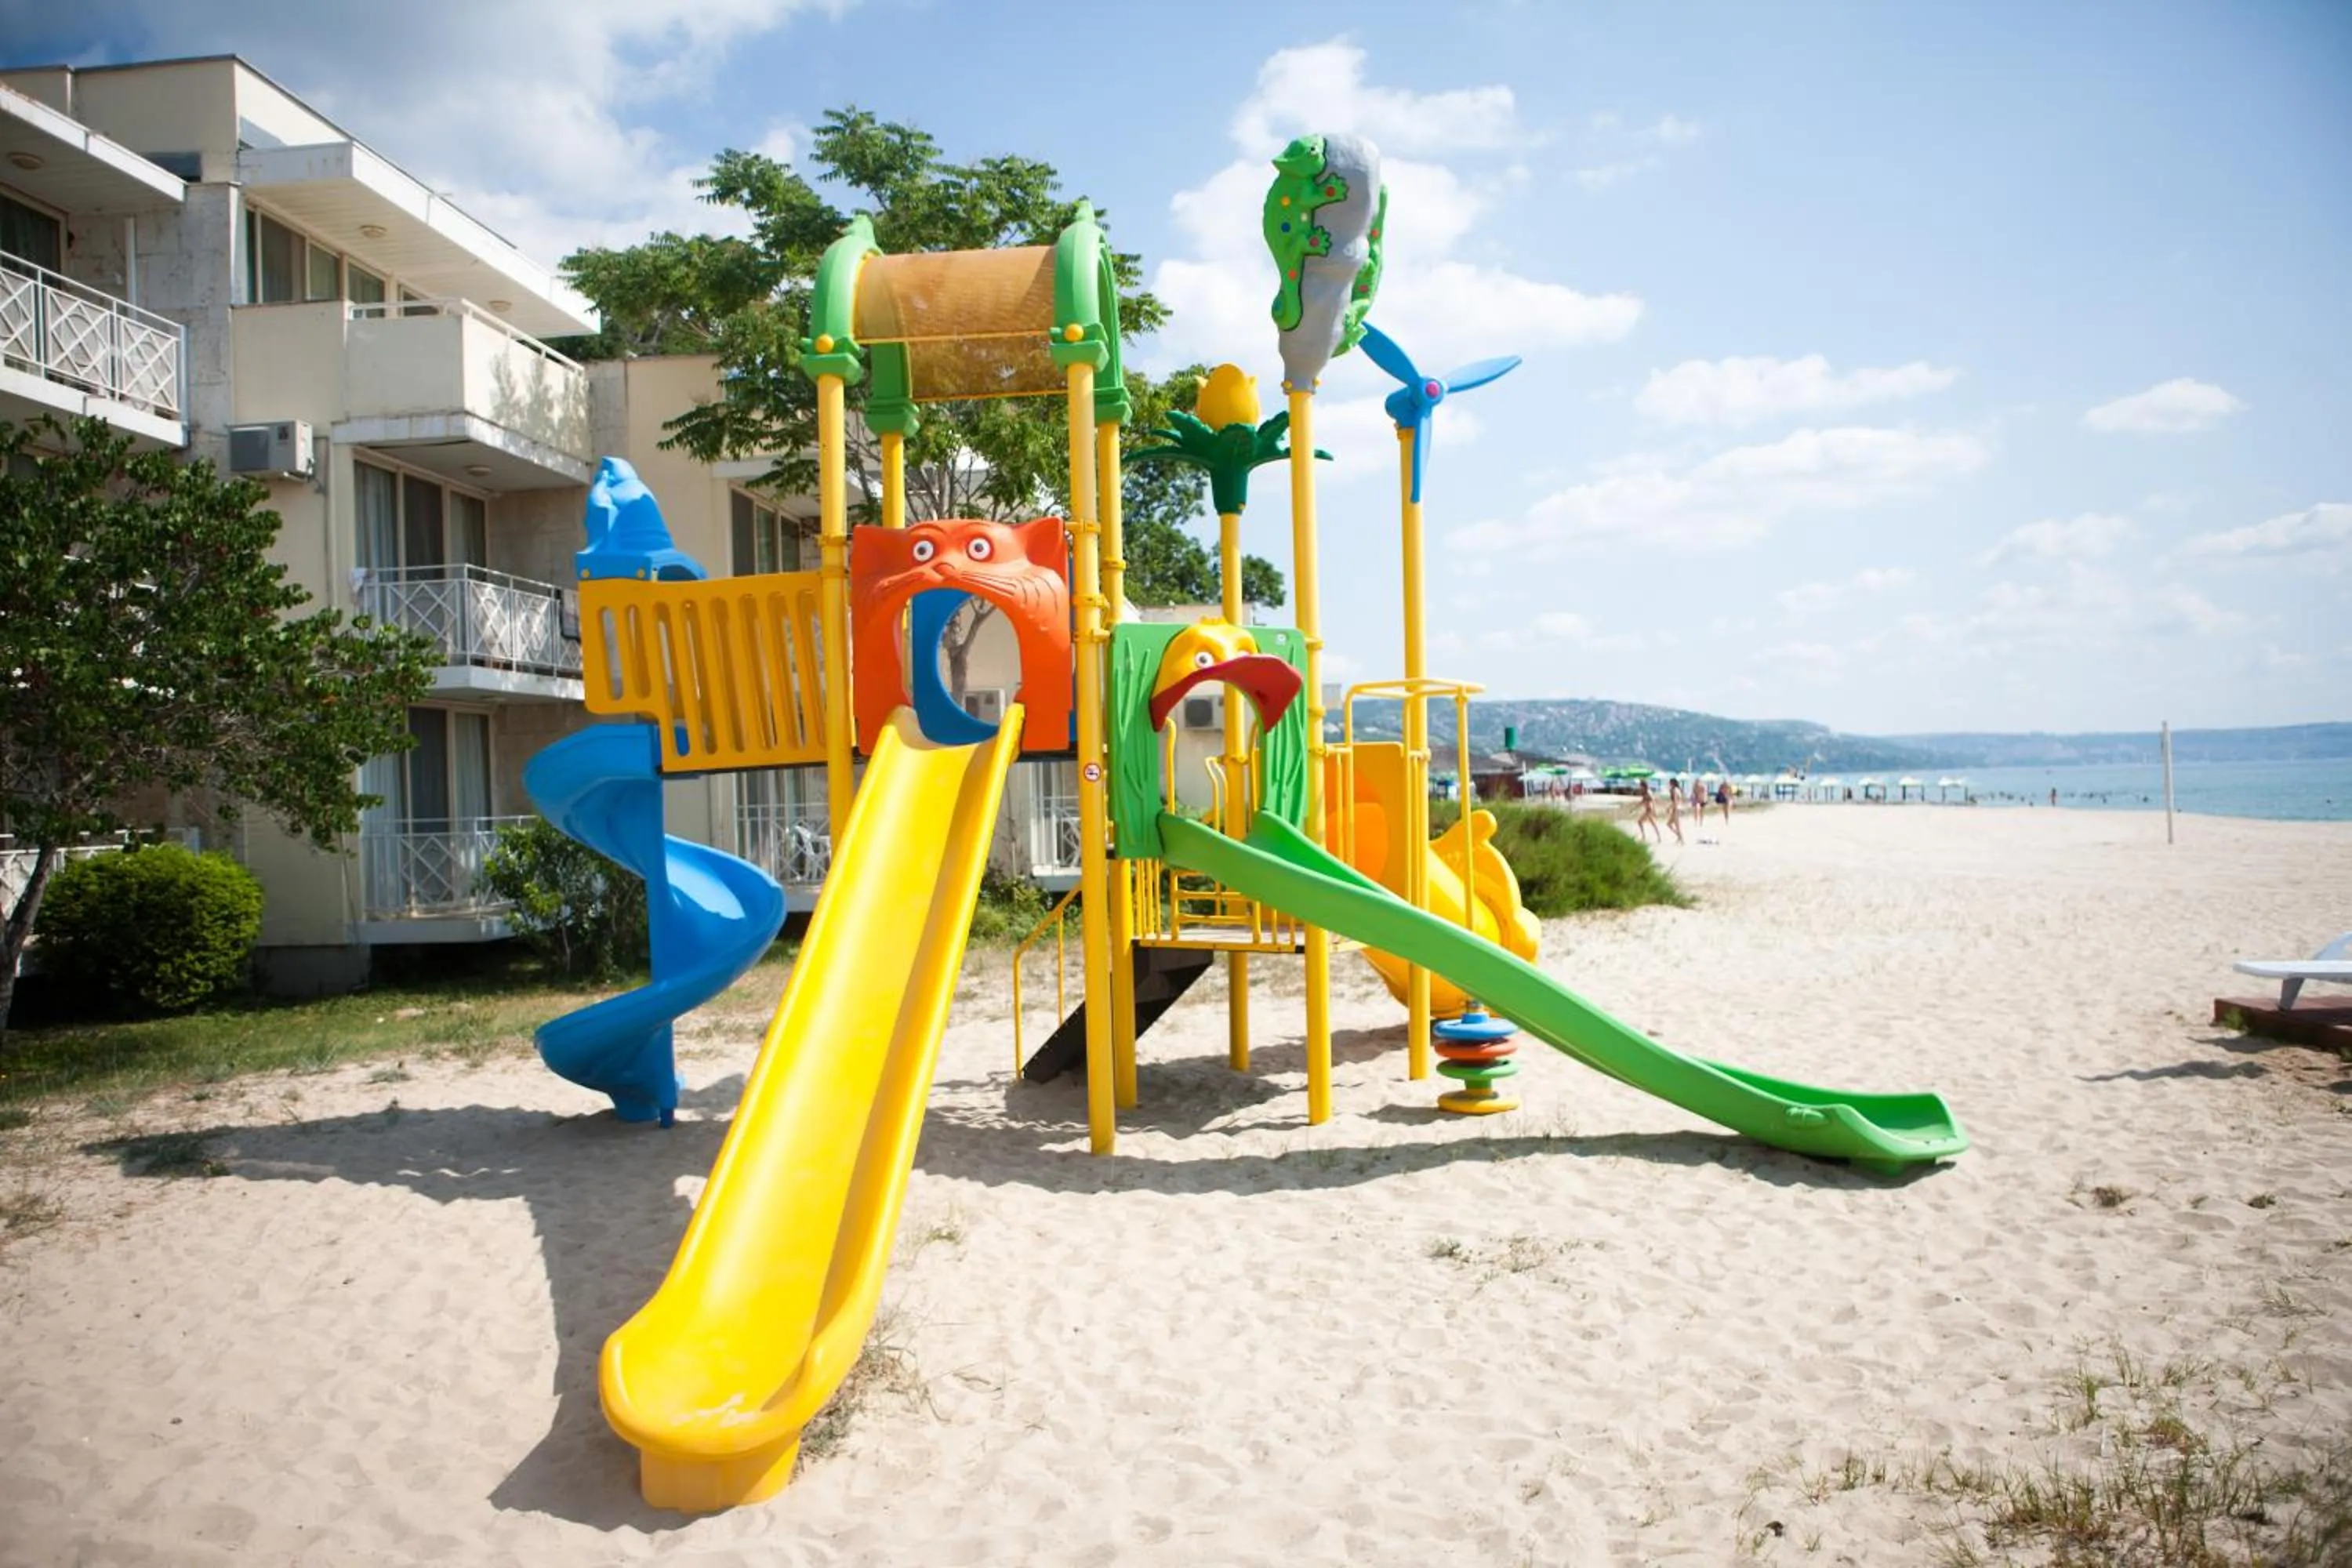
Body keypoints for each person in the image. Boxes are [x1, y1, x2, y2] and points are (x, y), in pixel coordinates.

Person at [1635, 777, 1661, 843]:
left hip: (1649, 810)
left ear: (1643, 786)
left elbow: (1653, 801)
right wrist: (1634, 808)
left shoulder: (1648, 792)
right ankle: (1659, 837)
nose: (1639, 787)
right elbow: (1642, 802)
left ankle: (1644, 837)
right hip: (1648, 810)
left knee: (1640, 822)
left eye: (1640, 786)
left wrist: (1654, 810)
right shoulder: (1644, 792)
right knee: (1652, 823)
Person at [1665, 776, 1686, 845]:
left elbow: (1675, 801)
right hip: (1678, 808)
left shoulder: (1675, 790)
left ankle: (1681, 839)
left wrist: (1670, 808)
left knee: (1677, 826)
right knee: (1669, 824)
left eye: (1670, 783)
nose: (1669, 785)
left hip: (1676, 809)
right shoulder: (1678, 790)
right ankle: (1679, 837)